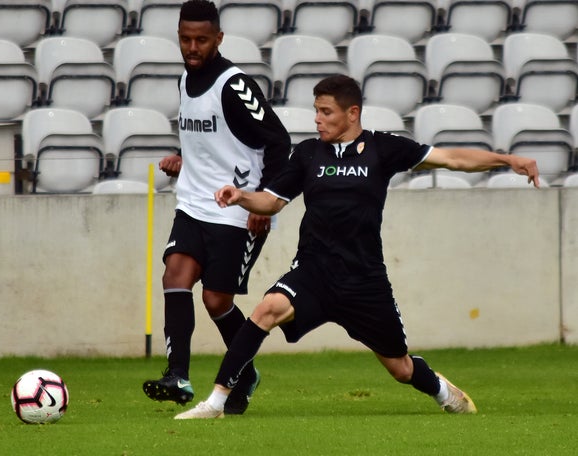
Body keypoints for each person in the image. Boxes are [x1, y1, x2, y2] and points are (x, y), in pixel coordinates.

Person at [174, 74, 541, 419]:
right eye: (315, 111)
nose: (317, 119)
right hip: (314, 271)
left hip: (363, 280)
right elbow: (271, 201)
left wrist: (508, 160)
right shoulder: (307, 154)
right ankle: (217, 401)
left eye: (326, 111)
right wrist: (240, 197)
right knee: (267, 309)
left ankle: (443, 392)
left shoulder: (384, 148)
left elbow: (452, 158)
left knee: (400, 367)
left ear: (352, 113)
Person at [142, 0, 291, 414]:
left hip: (237, 211)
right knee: (174, 275)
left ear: (218, 39)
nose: (193, 47)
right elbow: (211, 141)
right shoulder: (183, 82)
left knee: (216, 301)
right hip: (193, 203)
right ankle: (178, 376)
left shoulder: (234, 85)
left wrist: (265, 200)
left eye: (202, 40)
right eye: (186, 39)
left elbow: (278, 142)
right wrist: (182, 158)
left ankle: (246, 373)